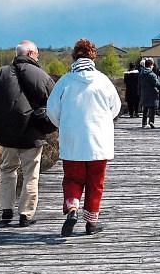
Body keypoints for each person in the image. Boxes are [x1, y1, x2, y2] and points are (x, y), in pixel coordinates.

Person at [0, 40, 56, 227]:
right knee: (31, 173)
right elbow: (55, 103)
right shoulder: (41, 75)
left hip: (6, 134)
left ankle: (6, 211)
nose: (38, 56)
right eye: (37, 53)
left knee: (7, 170)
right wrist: (53, 126)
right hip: (32, 133)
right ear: (29, 54)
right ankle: (25, 215)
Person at [46, 39, 121, 236]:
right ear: (92, 56)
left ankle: (72, 208)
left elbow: (52, 110)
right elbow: (116, 108)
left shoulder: (64, 81)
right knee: (96, 182)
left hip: (72, 141)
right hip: (99, 142)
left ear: (74, 56)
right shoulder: (103, 81)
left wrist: (63, 125)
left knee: (72, 178)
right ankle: (91, 223)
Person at [138, 58, 160, 129]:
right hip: (152, 93)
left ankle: (144, 123)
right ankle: (151, 122)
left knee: (145, 109)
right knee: (152, 109)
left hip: (144, 92)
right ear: (151, 65)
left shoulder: (141, 73)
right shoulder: (152, 74)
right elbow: (157, 84)